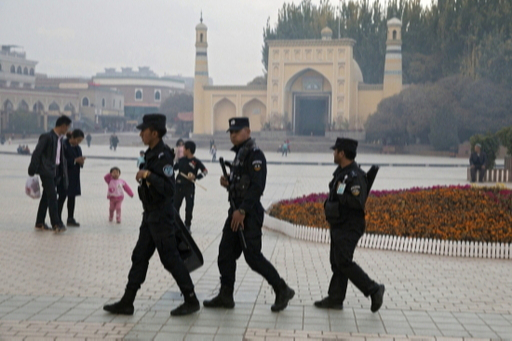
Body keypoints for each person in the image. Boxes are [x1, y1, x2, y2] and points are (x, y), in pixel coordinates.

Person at [103, 113, 200, 317]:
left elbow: (168, 188)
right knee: (139, 256)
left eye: (143, 131)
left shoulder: (163, 156)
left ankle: (191, 299)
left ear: (154, 133)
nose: (140, 134)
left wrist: (148, 175)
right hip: (150, 215)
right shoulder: (151, 154)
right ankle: (127, 301)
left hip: (161, 216)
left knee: (171, 259)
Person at [203, 117, 295, 312]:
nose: (232, 135)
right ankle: (226, 296)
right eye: (231, 132)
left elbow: (257, 187)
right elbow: (242, 183)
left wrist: (243, 210)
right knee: (225, 254)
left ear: (248, 132)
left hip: (248, 213)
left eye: (236, 131)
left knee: (253, 257)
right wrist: (229, 182)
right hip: (235, 211)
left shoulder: (255, 155)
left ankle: (282, 289)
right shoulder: (240, 155)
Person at [316, 138, 385, 312]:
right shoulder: (342, 173)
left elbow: (357, 202)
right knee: (337, 262)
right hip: (339, 223)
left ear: (342, 153)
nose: (333, 154)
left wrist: (340, 195)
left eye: (335, 151)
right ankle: (335, 297)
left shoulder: (355, 176)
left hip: (350, 225)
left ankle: (373, 289)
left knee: (344, 262)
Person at [28, 115, 71, 232]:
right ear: (62, 126)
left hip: (55, 170)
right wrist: (32, 169)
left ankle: (39, 222)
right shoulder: (47, 137)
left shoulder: (59, 139)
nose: (68, 130)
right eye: (67, 127)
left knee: (46, 197)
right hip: (46, 170)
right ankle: (56, 223)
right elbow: (37, 153)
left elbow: (59, 156)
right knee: (52, 196)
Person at [174, 141, 208, 232]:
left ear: (188, 150)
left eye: (184, 148)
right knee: (175, 205)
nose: (183, 150)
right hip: (178, 185)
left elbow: (205, 172)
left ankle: (187, 225)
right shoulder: (181, 160)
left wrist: (196, 177)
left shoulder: (196, 162)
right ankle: (175, 223)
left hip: (189, 187)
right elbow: (173, 168)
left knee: (189, 207)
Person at [58, 129, 85, 227]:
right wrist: (74, 161)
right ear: (72, 137)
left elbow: (79, 159)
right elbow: (61, 160)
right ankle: (57, 218)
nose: (78, 143)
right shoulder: (63, 145)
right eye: (77, 140)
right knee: (62, 197)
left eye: (80, 141)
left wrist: (81, 161)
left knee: (72, 197)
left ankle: (70, 218)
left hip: (74, 175)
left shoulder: (78, 148)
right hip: (65, 175)